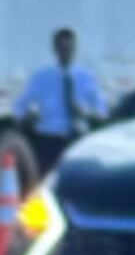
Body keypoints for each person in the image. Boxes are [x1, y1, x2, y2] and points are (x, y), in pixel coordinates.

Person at [14, 27, 107, 177]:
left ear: (75, 49)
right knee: (48, 184)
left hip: (78, 140)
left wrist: (86, 113)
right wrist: (28, 116)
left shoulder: (87, 77)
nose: (66, 52)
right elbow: (20, 106)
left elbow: (102, 110)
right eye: (62, 48)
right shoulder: (42, 76)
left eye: (69, 48)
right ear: (55, 49)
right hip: (49, 139)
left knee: (76, 184)